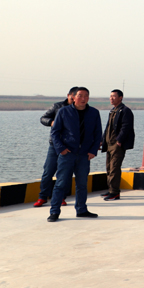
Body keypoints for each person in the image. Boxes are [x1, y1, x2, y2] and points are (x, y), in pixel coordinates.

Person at [47, 87, 102, 222]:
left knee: (82, 184)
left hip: (84, 155)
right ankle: (54, 212)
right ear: (73, 97)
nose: (83, 98)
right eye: (80, 95)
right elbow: (55, 132)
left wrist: (93, 151)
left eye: (86, 96)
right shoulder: (63, 111)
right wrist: (61, 149)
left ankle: (81, 210)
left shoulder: (94, 113)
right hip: (67, 154)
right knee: (61, 183)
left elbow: (98, 134)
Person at [34, 87, 77, 207]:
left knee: (65, 173)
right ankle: (42, 197)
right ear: (68, 95)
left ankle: (61, 197)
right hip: (55, 145)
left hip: (70, 146)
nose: (75, 99)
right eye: (73, 96)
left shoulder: (79, 109)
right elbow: (43, 118)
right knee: (48, 171)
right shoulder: (57, 106)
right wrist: (52, 122)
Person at [100, 89, 135, 201]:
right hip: (109, 143)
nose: (111, 98)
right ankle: (110, 189)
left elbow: (126, 127)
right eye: (110, 96)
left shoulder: (125, 111)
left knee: (114, 168)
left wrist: (119, 140)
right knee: (109, 167)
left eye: (114, 96)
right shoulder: (113, 111)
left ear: (120, 98)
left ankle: (114, 192)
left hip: (117, 144)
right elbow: (108, 127)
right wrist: (102, 140)